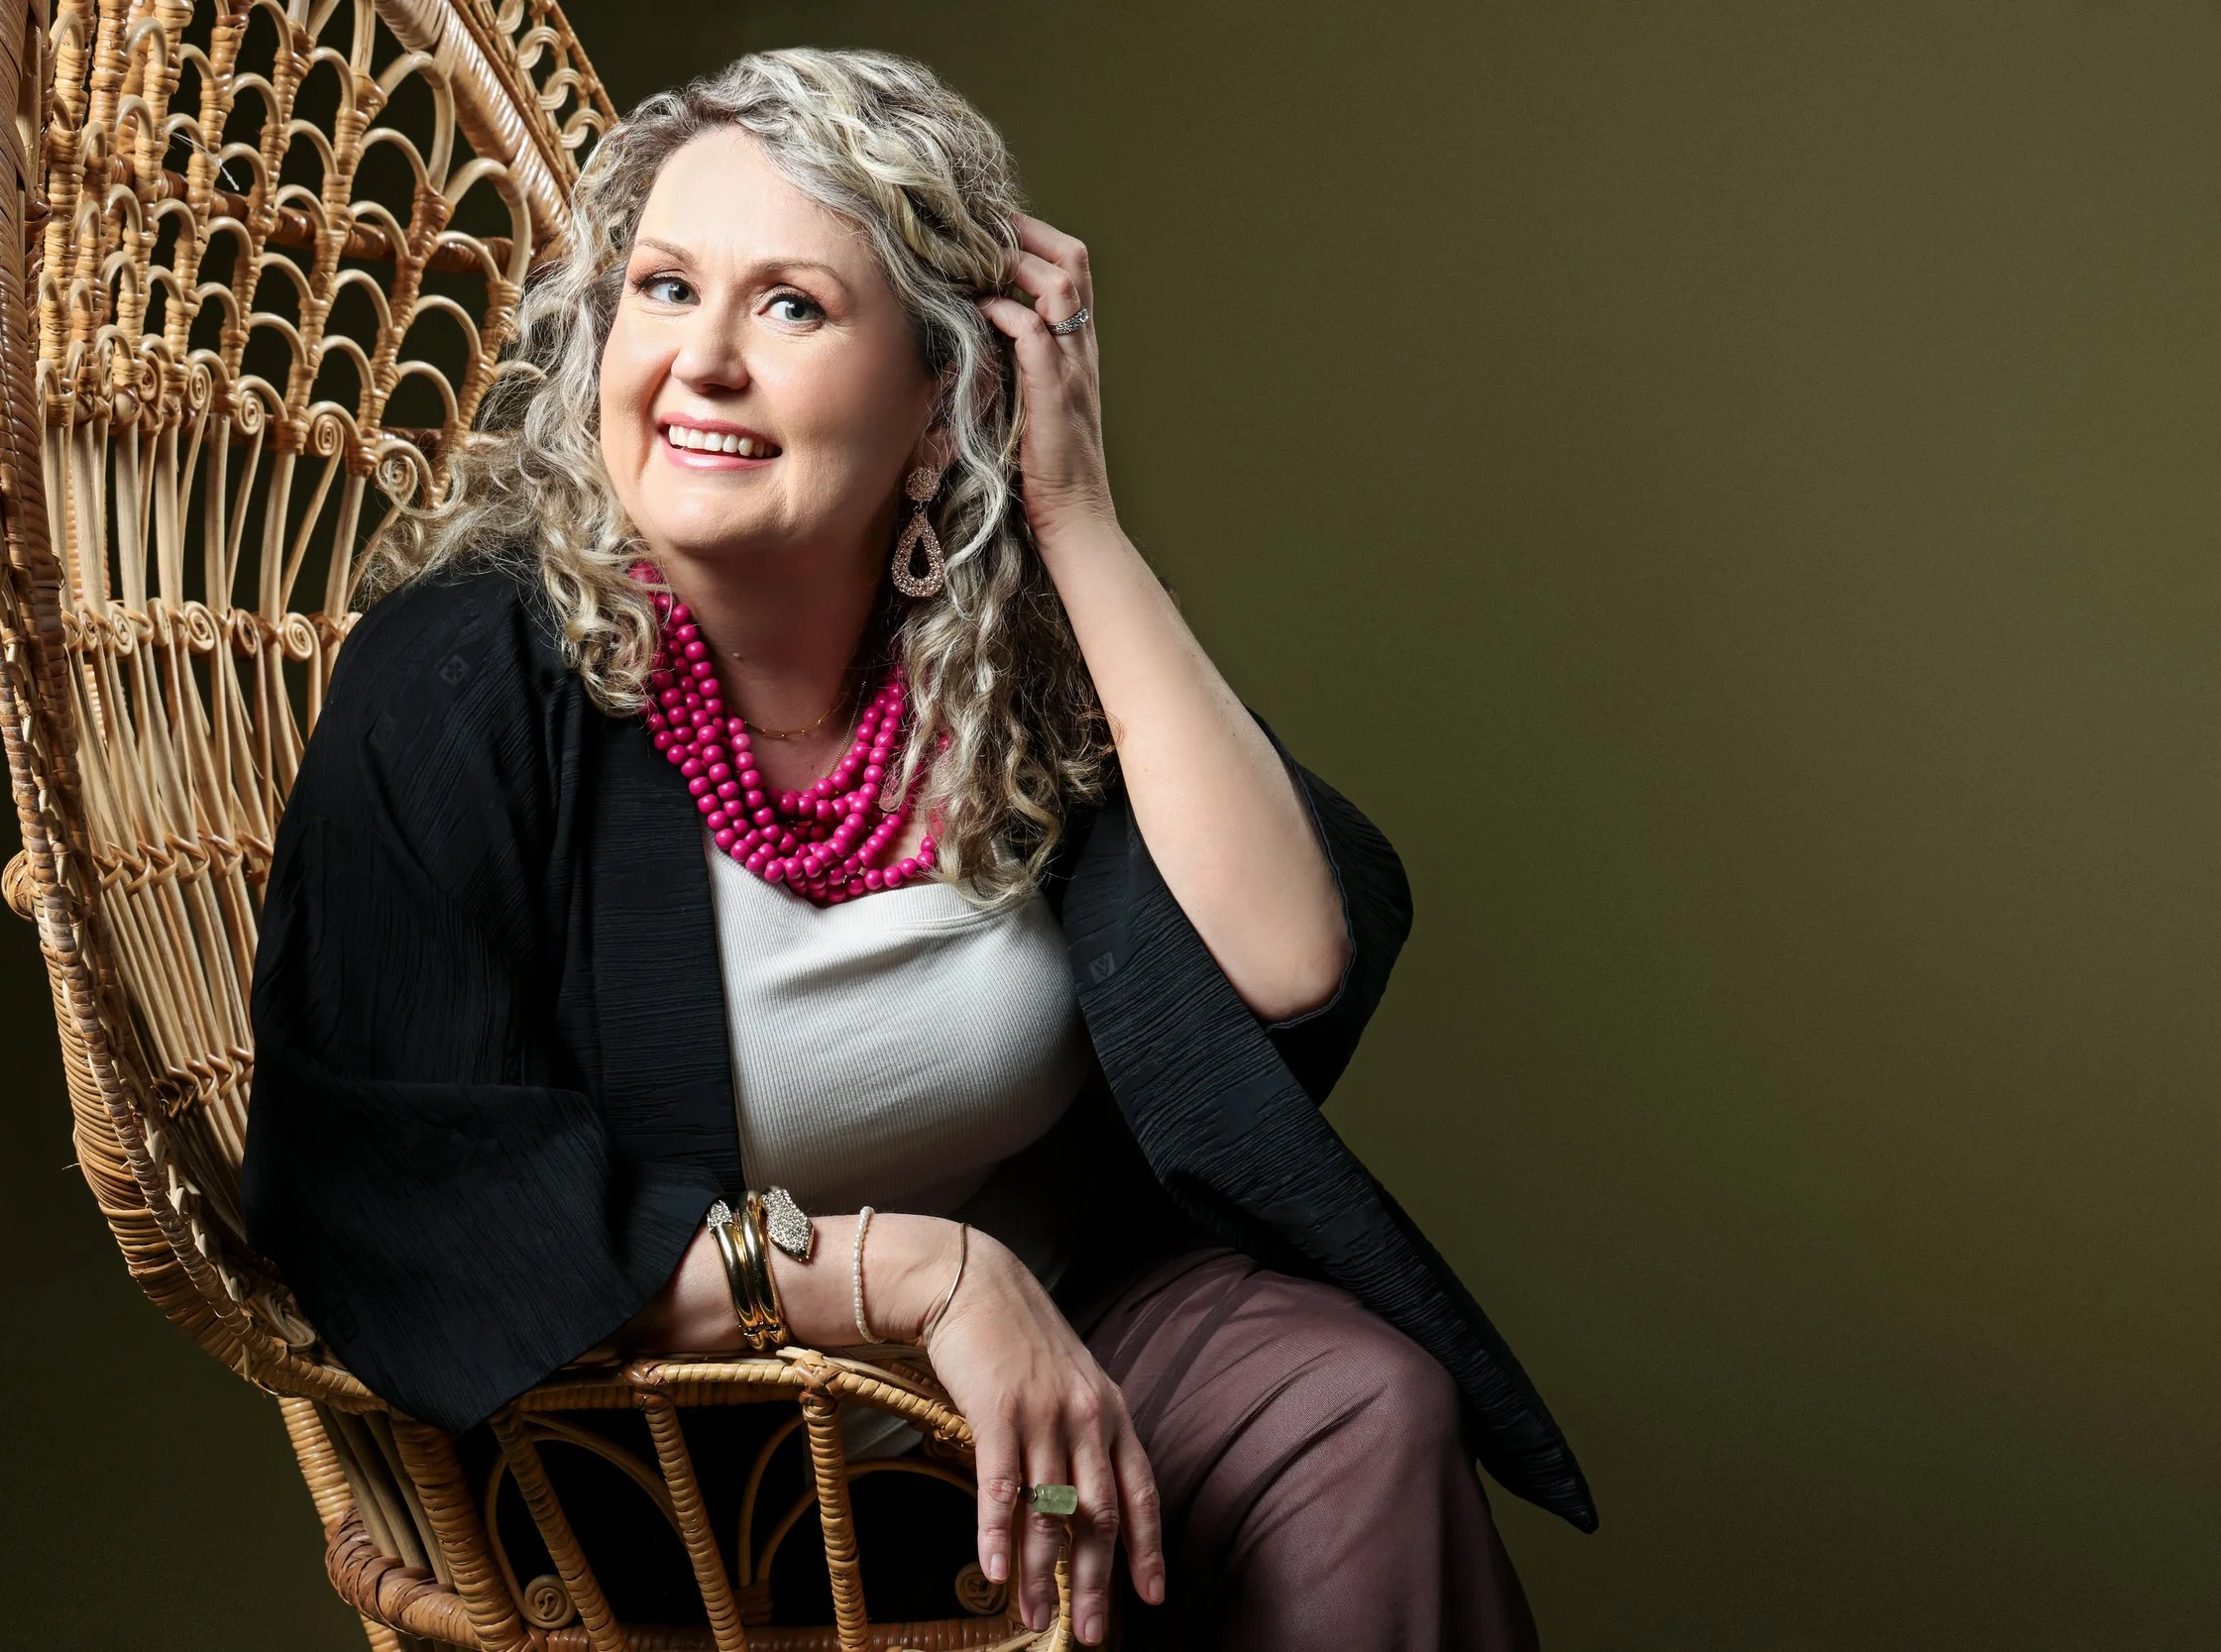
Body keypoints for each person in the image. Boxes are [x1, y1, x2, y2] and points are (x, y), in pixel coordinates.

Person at [244, 48, 1591, 1651]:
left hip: (1068, 1347)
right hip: (698, 1456)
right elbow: (422, 1203)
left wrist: (1075, 513)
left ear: (937, 405)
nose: (701, 363)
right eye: (664, 288)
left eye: (791, 306)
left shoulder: (997, 664)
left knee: (1360, 1407)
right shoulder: (460, 682)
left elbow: (1289, 959)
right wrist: (921, 1278)